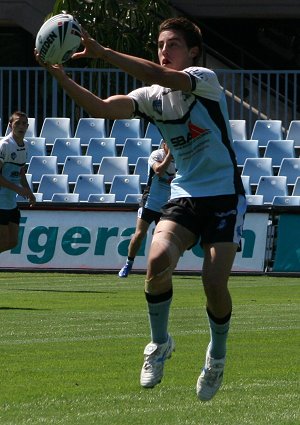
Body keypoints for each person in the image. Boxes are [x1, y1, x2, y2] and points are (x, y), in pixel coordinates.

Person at [35, 16, 246, 401]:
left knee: (214, 283)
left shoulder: (204, 79)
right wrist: (60, 76)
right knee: (156, 263)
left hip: (223, 194)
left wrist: (102, 52)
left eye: (173, 45)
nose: (164, 52)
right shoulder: (151, 97)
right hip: (184, 193)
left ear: (193, 52)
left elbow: (162, 76)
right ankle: (159, 344)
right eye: (160, 45)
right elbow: (101, 108)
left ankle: (216, 355)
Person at [118, 141, 175, 278]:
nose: (173, 147)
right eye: (170, 144)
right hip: (150, 202)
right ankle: (128, 264)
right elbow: (159, 171)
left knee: (163, 239)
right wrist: (170, 156)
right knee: (139, 235)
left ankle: (160, 267)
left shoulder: (181, 159)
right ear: (164, 145)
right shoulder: (156, 155)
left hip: (166, 206)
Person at [0, 111, 36, 253]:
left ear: (27, 126)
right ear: (10, 125)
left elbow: (20, 172)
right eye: (17, 123)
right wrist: (18, 189)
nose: (21, 126)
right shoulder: (5, 145)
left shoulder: (25, 146)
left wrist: (28, 192)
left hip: (11, 203)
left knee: (12, 242)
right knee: (3, 240)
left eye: (24, 123)